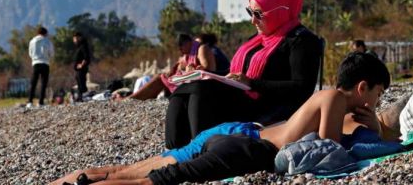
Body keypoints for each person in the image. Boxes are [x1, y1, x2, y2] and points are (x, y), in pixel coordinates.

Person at [49, 52, 390, 185]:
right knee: (158, 180)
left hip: (235, 132)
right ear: (363, 87)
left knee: (130, 169)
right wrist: (373, 129)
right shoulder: (331, 97)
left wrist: (374, 126)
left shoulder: (329, 100)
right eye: (377, 94)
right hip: (246, 147)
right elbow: (326, 151)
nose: (376, 101)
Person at [165, 0, 322, 149]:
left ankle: (199, 149)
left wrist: (252, 83)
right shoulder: (258, 39)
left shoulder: (302, 41)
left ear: (281, 10)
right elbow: (236, 75)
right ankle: (174, 149)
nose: (252, 20)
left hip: (268, 108)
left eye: (259, 14)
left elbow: (301, 88)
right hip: (244, 99)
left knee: (200, 90)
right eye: (250, 12)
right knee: (188, 86)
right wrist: (205, 73)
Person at [129, 34, 213, 101]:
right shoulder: (188, 54)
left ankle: (132, 99)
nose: (180, 50)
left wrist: (193, 69)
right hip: (193, 82)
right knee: (163, 77)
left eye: (181, 47)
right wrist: (174, 70)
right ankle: (135, 99)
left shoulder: (201, 49)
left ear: (188, 43)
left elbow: (207, 69)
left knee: (159, 79)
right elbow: (178, 65)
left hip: (206, 84)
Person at [28, 26, 54, 107]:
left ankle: (30, 102)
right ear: (45, 33)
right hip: (45, 63)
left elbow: (30, 52)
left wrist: (34, 58)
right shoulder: (48, 41)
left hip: (36, 63)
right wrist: (48, 57)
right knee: (43, 83)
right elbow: (51, 53)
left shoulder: (32, 41)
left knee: (33, 83)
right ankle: (41, 102)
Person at [73, 32, 91, 101]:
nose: (74, 40)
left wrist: (82, 65)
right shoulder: (79, 46)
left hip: (82, 69)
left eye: (75, 38)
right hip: (78, 70)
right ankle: (80, 98)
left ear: (79, 38)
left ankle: (84, 97)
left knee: (82, 83)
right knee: (79, 83)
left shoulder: (83, 46)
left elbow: (86, 57)